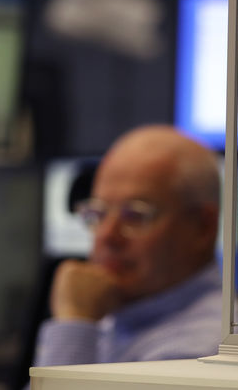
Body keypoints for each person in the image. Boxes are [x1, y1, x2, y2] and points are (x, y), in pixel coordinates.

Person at [31, 124, 223, 368]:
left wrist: (75, 323)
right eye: (97, 214)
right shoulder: (118, 316)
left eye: (135, 215)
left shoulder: (205, 352)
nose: (107, 236)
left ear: (202, 228)